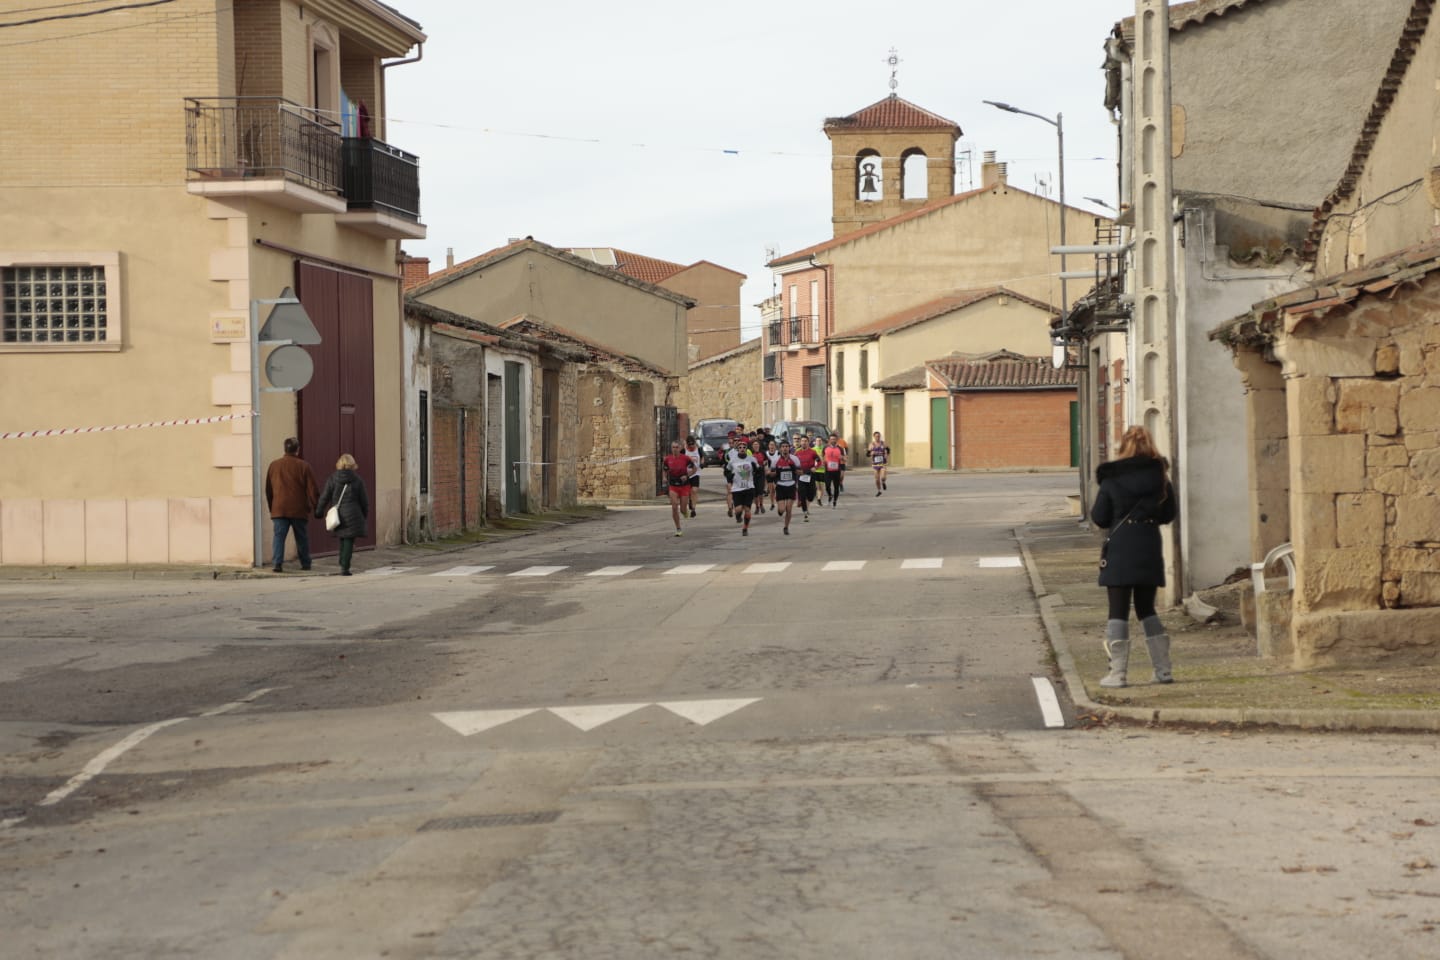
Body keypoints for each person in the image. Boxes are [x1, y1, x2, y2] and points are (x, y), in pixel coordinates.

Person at [1091, 425, 1178, 687]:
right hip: (1148, 547)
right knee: (1146, 608)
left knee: (1117, 610)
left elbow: (1099, 517)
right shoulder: (1161, 479)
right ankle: (1163, 670)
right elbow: (1167, 515)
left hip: (1120, 549)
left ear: (1123, 448)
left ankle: (1117, 674)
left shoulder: (1112, 480)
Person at [264, 436, 319, 573]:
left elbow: (268, 490)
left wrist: (272, 507)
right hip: (298, 509)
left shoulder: (274, 465)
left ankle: (277, 563)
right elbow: (312, 489)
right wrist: (317, 506)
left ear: (284, 449)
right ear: (298, 450)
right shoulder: (304, 466)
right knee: (301, 537)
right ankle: (305, 563)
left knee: (279, 537)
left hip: (279, 508)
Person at [314, 453, 369, 576]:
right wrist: (364, 515)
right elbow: (364, 501)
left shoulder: (332, 478)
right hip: (353, 514)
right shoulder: (358, 480)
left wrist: (319, 511)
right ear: (352, 464)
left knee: (343, 538)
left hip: (338, 513)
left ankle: (342, 562)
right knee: (348, 539)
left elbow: (325, 496)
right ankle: (345, 566)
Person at [725, 438, 760, 536]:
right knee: (738, 509)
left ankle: (745, 528)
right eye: (740, 447)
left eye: (744, 447)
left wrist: (756, 469)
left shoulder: (752, 459)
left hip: (749, 487)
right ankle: (738, 516)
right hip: (737, 488)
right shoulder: (733, 460)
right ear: (737, 449)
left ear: (746, 449)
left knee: (747, 509)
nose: (742, 449)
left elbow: (758, 470)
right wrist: (729, 477)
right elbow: (727, 471)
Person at [662, 440, 695, 536]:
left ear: (680, 448)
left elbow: (694, 469)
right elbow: (664, 470)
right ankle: (678, 528)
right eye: (673, 447)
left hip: (684, 486)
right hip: (673, 486)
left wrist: (687, 476)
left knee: (682, 509)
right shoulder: (668, 459)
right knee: (674, 507)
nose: (675, 449)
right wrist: (664, 477)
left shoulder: (686, 458)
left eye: (677, 447)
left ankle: (685, 512)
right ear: (671, 448)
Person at [771, 440, 801, 534]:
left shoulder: (795, 459)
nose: (785, 448)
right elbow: (770, 474)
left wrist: (794, 469)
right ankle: (780, 511)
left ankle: (786, 527)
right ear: (780, 448)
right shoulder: (775, 460)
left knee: (789, 508)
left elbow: (801, 472)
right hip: (780, 487)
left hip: (791, 486)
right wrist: (777, 472)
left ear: (789, 448)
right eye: (783, 446)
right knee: (782, 510)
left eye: (786, 446)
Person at [793, 435, 820, 522]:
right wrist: (796, 471)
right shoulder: (797, 452)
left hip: (810, 475)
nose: (804, 442)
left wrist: (815, 468)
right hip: (801, 476)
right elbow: (793, 463)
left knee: (811, 496)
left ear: (808, 442)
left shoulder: (812, 452)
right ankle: (805, 512)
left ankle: (808, 503)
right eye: (802, 441)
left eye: (805, 441)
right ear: (800, 442)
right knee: (802, 494)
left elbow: (819, 461)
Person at [822, 434, 846, 507]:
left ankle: (835, 501)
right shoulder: (825, 447)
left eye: (834, 439)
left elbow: (845, 458)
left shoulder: (840, 448)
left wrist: (842, 457)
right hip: (828, 470)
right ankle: (830, 496)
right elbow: (822, 456)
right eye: (831, 439)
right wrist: (823, 462)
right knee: (827, 486)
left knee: (836, 487)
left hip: (836, 471)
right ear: (829, 440)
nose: (833, 440)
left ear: (836, 440)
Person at [683, 435, 703, 518]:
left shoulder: (699, 450)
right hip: (686, 474)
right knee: (687, 492)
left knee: (694, 490)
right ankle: (690, 501)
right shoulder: (683, 451)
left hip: (696, 473)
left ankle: (693, 509)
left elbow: (702, 457)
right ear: (687, 444)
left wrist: (702, 463)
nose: (691, 447)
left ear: (695, 443)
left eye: (693, 445)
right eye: (689, 445)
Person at [869, 431, 890, 496]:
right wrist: (871, 453)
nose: (877, 437)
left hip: (883, 463)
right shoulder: (871, 444)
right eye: (876, 436)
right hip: (875, 463)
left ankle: (883, 482)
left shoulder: (883, 443)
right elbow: (867, 453)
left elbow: (888, 450)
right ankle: (879, 490)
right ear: (874, 437)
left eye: (878, 436)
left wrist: (886, 454)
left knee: (883, 477)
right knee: (877, 479)